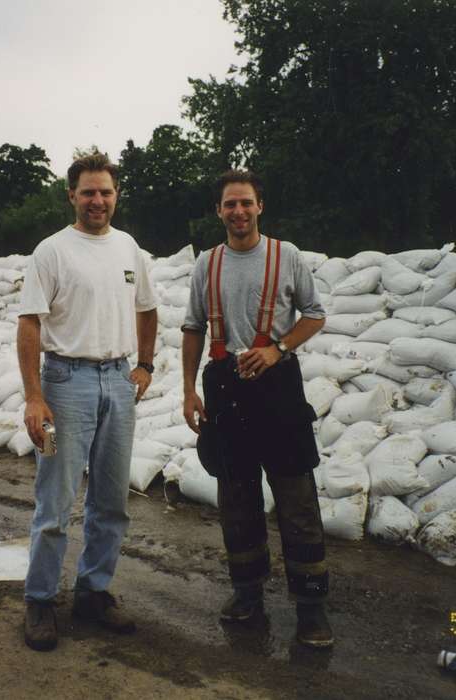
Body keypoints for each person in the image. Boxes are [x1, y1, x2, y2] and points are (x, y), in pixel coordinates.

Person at [181, 169, 333, 648]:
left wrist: (279, 349)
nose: (239, 212)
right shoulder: (206, 264)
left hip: (278, 388)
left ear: (260, 207)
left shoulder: (285, 255)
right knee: (237, 501)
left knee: (297, 501)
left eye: (246, 203)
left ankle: (311, 610)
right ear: (219, 211)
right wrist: (188, 390)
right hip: (226, 391)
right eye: (230, 204)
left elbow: (314, 314)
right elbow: (192, 328)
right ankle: (247, 594)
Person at [17, 151, 158, 652]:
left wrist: (145, 365)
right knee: (55, 502)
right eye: (88, 192)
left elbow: (147, 308)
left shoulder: (129, 248)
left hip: (118, 382)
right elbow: (30, 323)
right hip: (66, 382)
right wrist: (35, 397)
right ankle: (39, 601)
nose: (97, 200)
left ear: (116, 196)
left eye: (106, 192)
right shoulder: (52, 251)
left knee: (111, 501)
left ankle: (93, 593)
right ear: (71, 195)